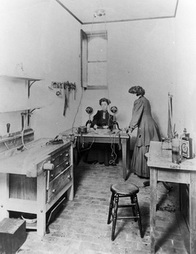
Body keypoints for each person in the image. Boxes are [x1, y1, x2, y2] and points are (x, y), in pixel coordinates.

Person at [128, 86, 160, 178]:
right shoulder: (146, 100)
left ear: (136, 94)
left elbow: (136, 116)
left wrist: (130, 128)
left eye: (132, 94)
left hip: (145, 126)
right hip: (151, 125)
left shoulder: (139, 101)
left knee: (143, 146)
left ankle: (144, 173)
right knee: (149, 147)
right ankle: (151, 173)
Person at [84, 98, 117, 166]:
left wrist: (108, 126)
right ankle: (94, 159)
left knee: (106, 143)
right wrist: (95, 124)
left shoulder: (111, 114)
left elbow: (112, 123)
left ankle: (106, 160)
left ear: (108, 105)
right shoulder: (98, 113)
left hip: (107, 131)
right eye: (102, 104)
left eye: (105, 104)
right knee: (95, 142)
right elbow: (95, 120)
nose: (103, 106)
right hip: (99, 130)